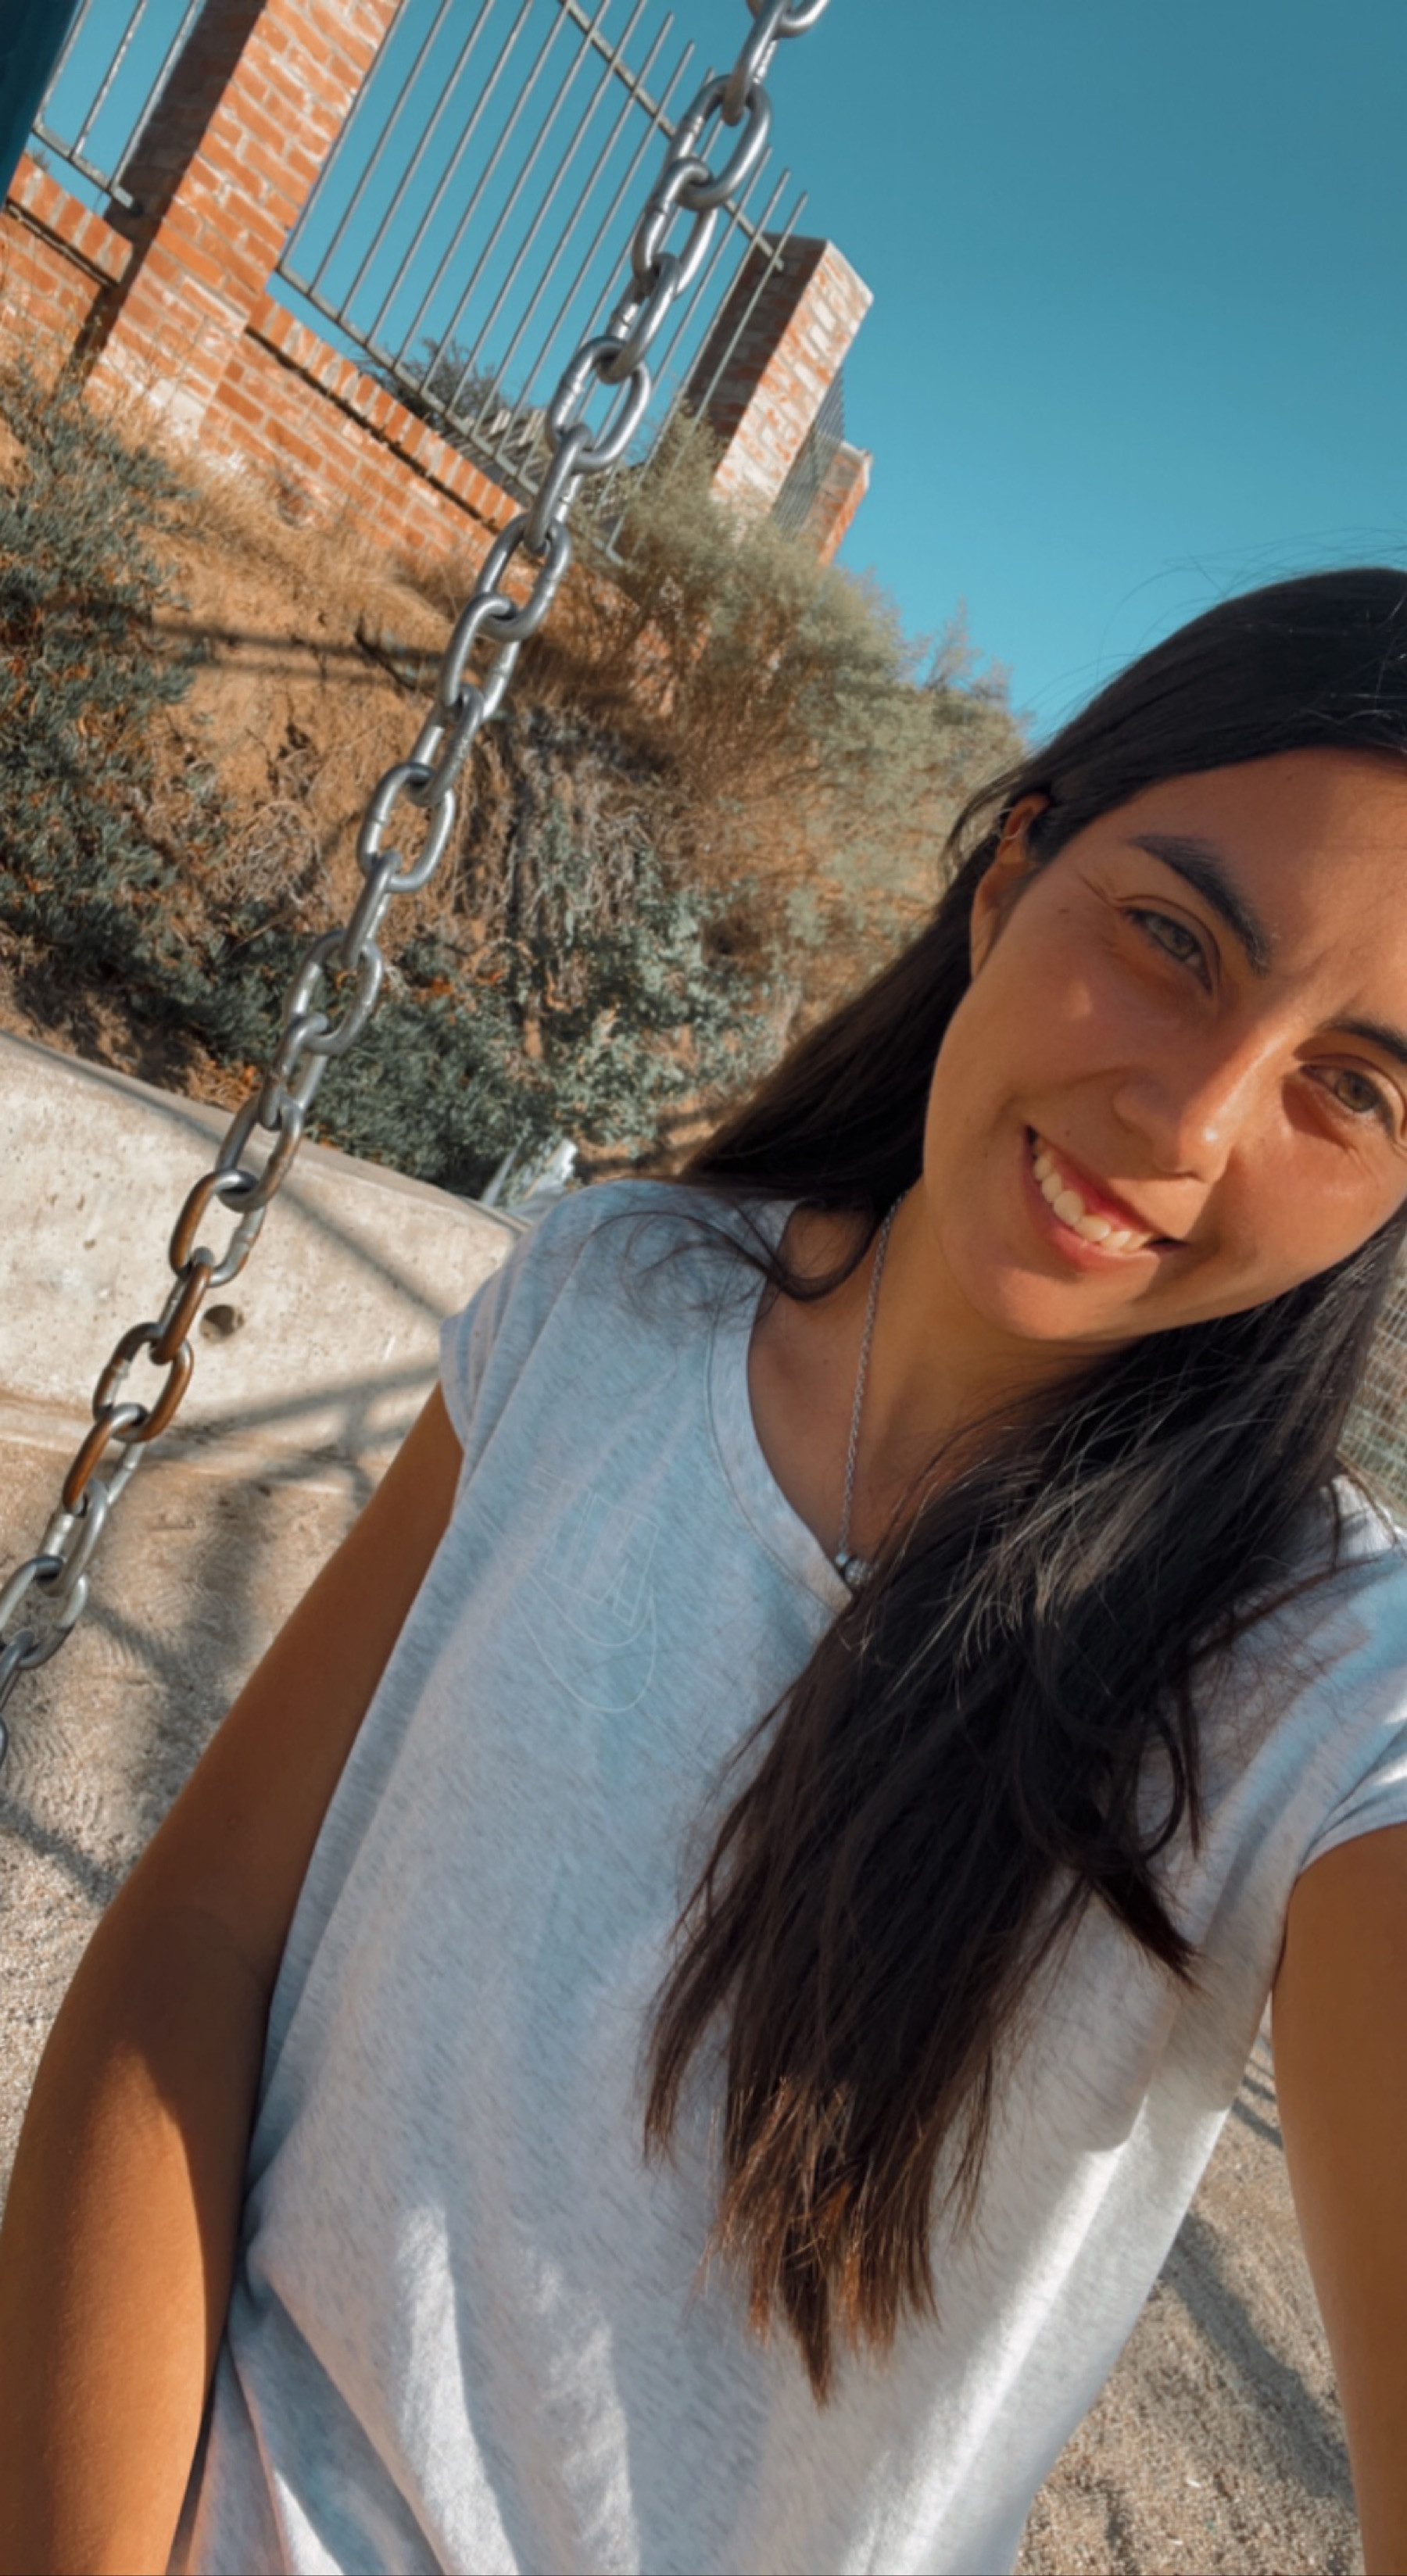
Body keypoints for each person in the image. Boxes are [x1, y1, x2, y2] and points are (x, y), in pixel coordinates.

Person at [2, 567, 1407, 2576]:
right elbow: (206, 1931)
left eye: (1353, 1085)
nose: (1189, 1122)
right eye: (1175, 940)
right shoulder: (610, 1301)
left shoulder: (1324, 1690)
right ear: (1013, 876)